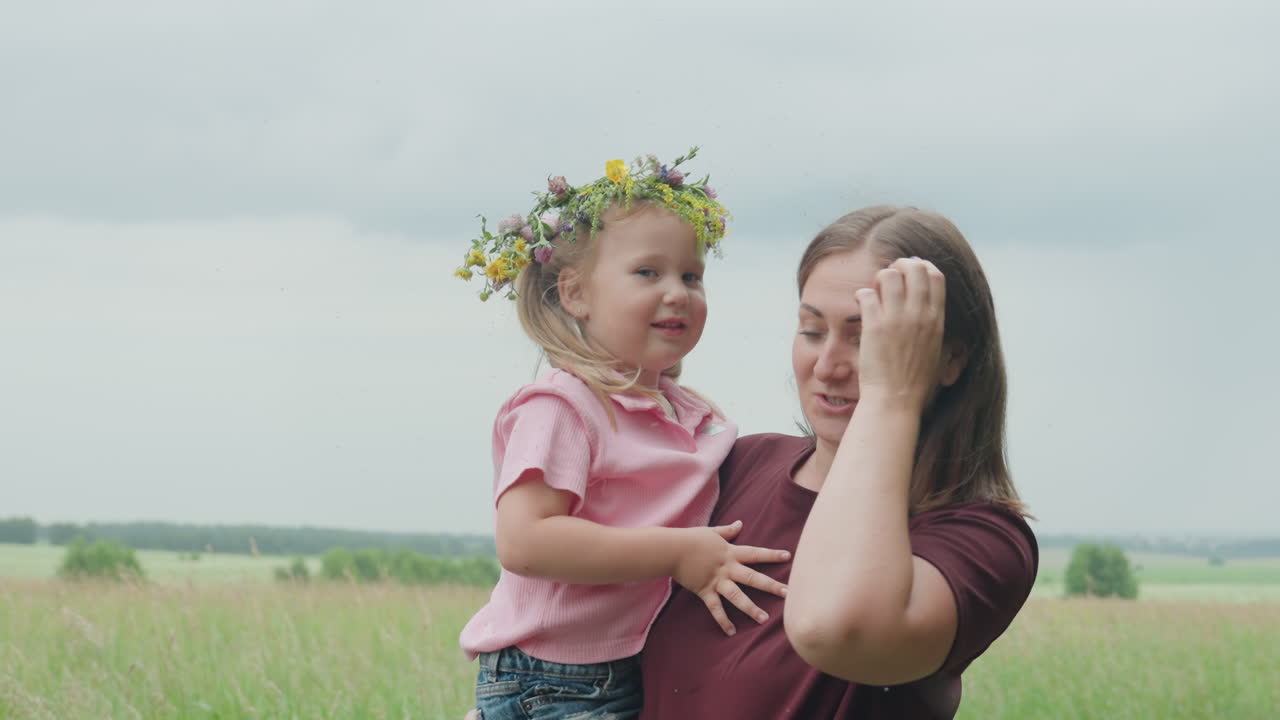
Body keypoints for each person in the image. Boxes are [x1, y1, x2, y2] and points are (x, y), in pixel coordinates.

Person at [638, 205, 1038, 719]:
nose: (828, 365)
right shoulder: (734, 465)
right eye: (811, 330)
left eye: (866, 336)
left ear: (951, 357)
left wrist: (890, 395)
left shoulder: (981, 542)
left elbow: (832, 627)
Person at [453, 149, 790, 720]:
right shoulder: (564, 406)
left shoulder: (693, 419)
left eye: (691, 275)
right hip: (553, 677)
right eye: (647, 273)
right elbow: (525, 541)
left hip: (632, 665)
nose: (677, 291)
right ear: (575, 293)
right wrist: (679, 552)